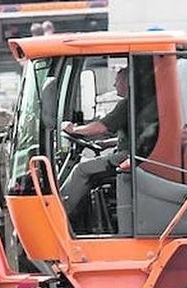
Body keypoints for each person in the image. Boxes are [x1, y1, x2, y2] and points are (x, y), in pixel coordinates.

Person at [60, 66, 159, 218]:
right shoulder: (139, 103)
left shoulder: (127, 104)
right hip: (132, 153)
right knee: (90, 166)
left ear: (128, 81)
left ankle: (58, 212)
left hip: (129, 156)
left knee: (81, 169)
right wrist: (108, 143)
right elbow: (133, 135)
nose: (114, 85)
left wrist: (74, 130)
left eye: (117, 80)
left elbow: (101, 127)